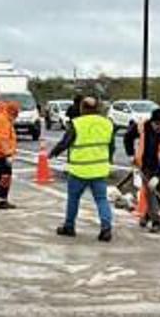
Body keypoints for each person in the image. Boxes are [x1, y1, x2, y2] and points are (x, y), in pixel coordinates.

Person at [50, 97, 116, 241]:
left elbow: (65, 142)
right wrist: (109, 160)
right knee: (101, 200)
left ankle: (69, 226)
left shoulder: (77, 124)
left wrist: (53, 153)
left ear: (82, 108)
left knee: (73, 199)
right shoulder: (107, 124)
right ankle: (106, 229)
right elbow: (111, 146)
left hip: (79, 170)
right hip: (99, 169)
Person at [123, 108, 160, 232]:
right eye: (155, 124)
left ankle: (146, 217)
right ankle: (156, 223)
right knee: (150, 193)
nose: (157, 127)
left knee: (159, 196)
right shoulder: (142, 126)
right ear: (151, 122)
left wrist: (158, 176)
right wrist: (131, 154)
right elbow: (128, 137)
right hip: (146, 165)